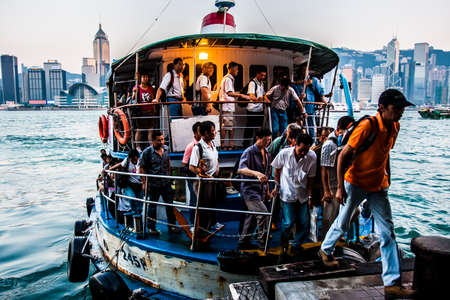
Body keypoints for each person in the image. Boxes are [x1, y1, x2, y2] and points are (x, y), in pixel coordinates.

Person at [319, 89, 416, 299]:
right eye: (396, 108)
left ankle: (392, 283)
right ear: (382, 108)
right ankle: (325, 249)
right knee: (343, 221)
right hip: (356, 182)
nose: (400, 112)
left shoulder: (395, 127)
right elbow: (343, 155)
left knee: (388, 232)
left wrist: (387, 177)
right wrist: (339, 188)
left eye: (402, 109)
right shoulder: (367, 126)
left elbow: (384, 153)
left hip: (378, 186)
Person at [272, 133, 316, 249]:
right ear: (295, 144)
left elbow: (311, 179)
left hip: (303, 195)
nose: (303, 154)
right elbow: (276, 171)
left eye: (306, 151)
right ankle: (284, 244)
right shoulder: (284, 154)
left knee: (304, 223)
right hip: (287, 194)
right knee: (288, 222)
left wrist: (310, 197)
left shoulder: (312, 157)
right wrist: (277, 187)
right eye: (301, 150)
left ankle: (296, 245)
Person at [138, 131, 180, 235]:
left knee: (170, 205)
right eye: (158, 140)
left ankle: (172, 226)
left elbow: (168, 163)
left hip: (166, 182)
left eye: (162, 139)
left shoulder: (166, 149)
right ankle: (151, 227)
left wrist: (169, 177)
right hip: (153, 184)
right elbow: (141, 168)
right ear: (152, 141)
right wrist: (144, 183)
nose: (161, 142)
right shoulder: (147, 152)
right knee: (152, 206)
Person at [237, 128, 272, 249]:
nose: (267, 142)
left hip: (261, 191)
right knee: (263, 214)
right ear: (258, 138)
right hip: (250, 190)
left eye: (269, 140)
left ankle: (243, 241)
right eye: (265, 140)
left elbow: (267, 174)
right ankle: (263, 242)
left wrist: (267, 191)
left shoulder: (267, 153)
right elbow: (241, 169)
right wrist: (256, 173)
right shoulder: (249, 152)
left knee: (252, 217)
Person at [320, 117, 354, 239]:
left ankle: (344, 239)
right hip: (332, 186)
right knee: (329, 217)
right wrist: (326, 190)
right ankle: (325, 244)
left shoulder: (346, 143)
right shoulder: (329, 145)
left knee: (350, 214)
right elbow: (324, 169)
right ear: (339, 129)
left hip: (343, 184)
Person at [189, 121, 220, 236]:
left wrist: (217, 168)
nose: (215, 133)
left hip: (212, 181)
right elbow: (192, 167)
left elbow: (215, 159)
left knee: (211, 206)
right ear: (206, 133)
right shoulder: (198, 148)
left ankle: (208, 228)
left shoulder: (213, 144)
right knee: (203, 208)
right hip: (203, 183)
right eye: (212, 131)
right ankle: (200, 232)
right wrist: (204, 175)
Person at [292, 65, 328, 141]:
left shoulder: (314, 81)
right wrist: (301, 96)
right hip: (300, 108)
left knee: (311, 126)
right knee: (300, 126)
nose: (304, 73)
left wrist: (322, 100)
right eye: (302, 71)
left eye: (305, 71)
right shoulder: (296, 83)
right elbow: (294, 94)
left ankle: (312, 141)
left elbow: (320, 91)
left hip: (310, 107)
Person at [219, 62, 250, 149]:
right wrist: (241, 95)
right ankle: (224, 145)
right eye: (236, 69)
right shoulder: (228, 79)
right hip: (227, 106)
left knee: (230, 126)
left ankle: (229, 144)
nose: (237, 71)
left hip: (228, 106)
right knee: (226, 126)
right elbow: (229, 93)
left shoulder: (228, 79)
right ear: (231, 69)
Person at [110, 149, 143, 216]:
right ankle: (134, 212)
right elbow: (120, 165)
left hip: (139, 184)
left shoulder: (141, 162)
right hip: (130, 183)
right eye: (133, 160)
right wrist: (110, 169)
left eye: (136, 159)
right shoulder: (127, 161)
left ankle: (139, 214)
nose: (134, 161)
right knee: (132, 197)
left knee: (140, 200)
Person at [182, 122, 202, 223]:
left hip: (202, 178)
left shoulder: (204, 144)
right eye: (200, 130)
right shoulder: (191, 146)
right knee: (194, 200)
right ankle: (193, 223)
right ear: (195, 132)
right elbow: (184, 163)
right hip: (193, 178)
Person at [132, 73, 156, 151]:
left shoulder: (151, 88)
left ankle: (151, 145)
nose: (145, 78)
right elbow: (133, 98)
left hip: (149, 111)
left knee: (150, 130)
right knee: (139, 130)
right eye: (143, 77)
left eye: (146, 76)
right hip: (141, 112)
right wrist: (135, 92)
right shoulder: (137, 87)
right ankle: (137, 147)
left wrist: (154, 109)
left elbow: (152, 99)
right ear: (140, 78)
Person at [243, 68, 266, 147]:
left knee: (258, 129)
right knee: (250, 128)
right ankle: (245, 145)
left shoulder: (261, 83)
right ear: (257, 74)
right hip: (252, 110)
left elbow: (263, 95)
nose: (263, 77)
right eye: (262, 75)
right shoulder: (252, 83)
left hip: (260, 109)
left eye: (264, 76)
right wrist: (257, 100)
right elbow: (251, 95)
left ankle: (255, 144)